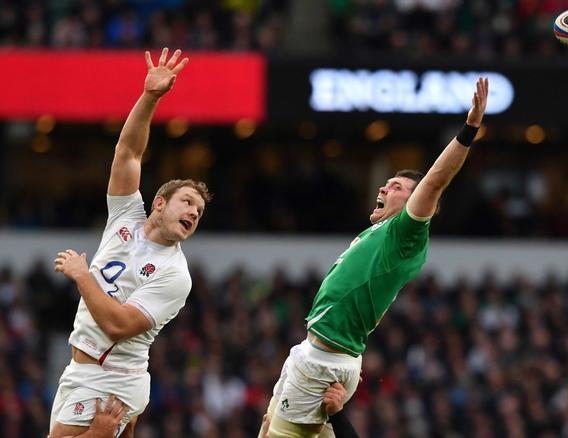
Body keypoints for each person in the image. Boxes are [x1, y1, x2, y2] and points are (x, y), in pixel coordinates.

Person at [261, 78, 489, 437]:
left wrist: (469, 128)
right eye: (387, 183)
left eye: (397, 187)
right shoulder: (378, 231)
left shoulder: (405, 233)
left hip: (325, 361)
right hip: (313, 351)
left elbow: (434, 181)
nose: (385, 187)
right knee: (266, 425)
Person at [49, 48, 211, 438]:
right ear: (158, 203)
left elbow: (118, 324)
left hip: (110, 377)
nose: (193, 212)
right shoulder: (128, 217)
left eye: (200, 212)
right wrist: (150, 97)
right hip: (88, 371)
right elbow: (128, 152)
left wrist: (81, 275)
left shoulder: (175, 274)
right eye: (187, 202)